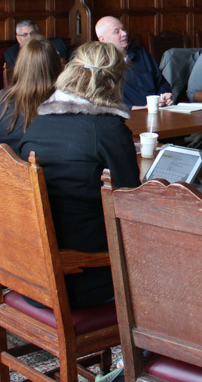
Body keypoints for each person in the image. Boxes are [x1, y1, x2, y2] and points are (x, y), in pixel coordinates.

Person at [18, 41, 141, 307]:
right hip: (83, 276)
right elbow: (132, 205)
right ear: (115, 81)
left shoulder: (38, 124)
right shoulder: (108, 129)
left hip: (32, 274)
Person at [0, 34, 62, 149]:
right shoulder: (61, 101)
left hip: (2, 164)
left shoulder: (1, 98)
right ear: (56, 64)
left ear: (20, 64)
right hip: (39, 164)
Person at [95, 15, 172, 109]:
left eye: (123, 29)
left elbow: (161, 83)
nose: (124, 33)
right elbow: (99, 101)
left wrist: (164, 96)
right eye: (117, 31)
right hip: (126, 116)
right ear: (102, 39)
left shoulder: (141, 53)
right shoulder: (98, 64)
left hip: (157, 111)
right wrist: (135, 108)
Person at [2, 19, 69, 70]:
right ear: (18, 38)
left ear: (38, 33)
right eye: (25, 35)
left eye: (33, 33)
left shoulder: (57, 44)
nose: (30, 37)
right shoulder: (11, 54)